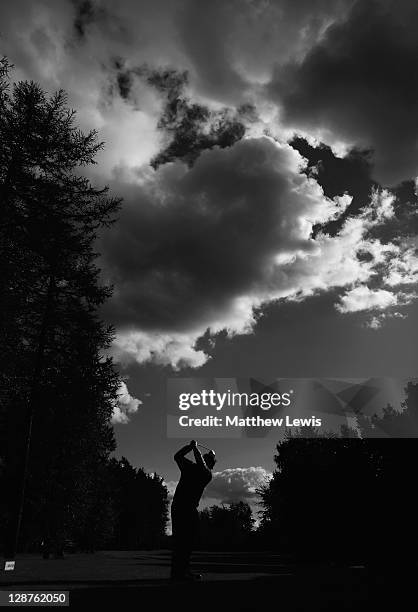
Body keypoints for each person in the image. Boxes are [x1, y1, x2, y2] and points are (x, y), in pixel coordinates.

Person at [170, 440, 216, 580]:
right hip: (183, 508)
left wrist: (193, 448)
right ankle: (179, 573)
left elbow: (199, 463)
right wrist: (190, 447)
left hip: (183, 508)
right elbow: (177, 456)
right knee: (183, 541)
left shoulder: (206, 473)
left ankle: (181, 571)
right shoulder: (192, 467)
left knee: (186, 541)